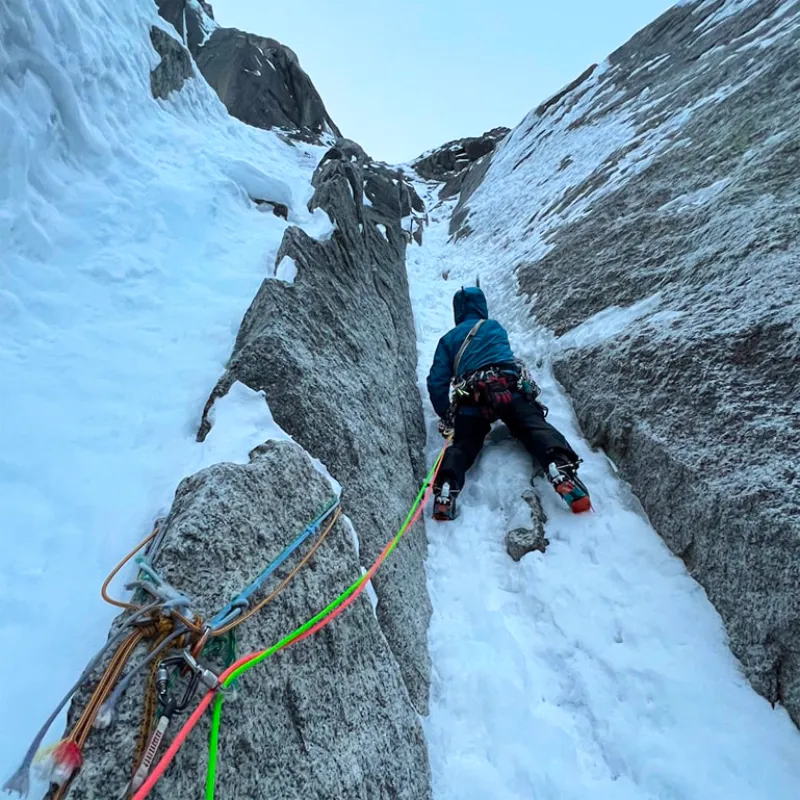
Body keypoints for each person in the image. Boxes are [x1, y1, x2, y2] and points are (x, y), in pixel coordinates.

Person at [427, 286, 590, 520]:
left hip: (471, 397)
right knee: (532, 425)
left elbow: (436, 382)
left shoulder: (448, 340)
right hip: (507, 388)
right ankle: (559, 467)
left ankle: (447, 487)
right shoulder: (494, 328)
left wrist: (446, 414)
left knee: (463, 444)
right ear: (481, 307)